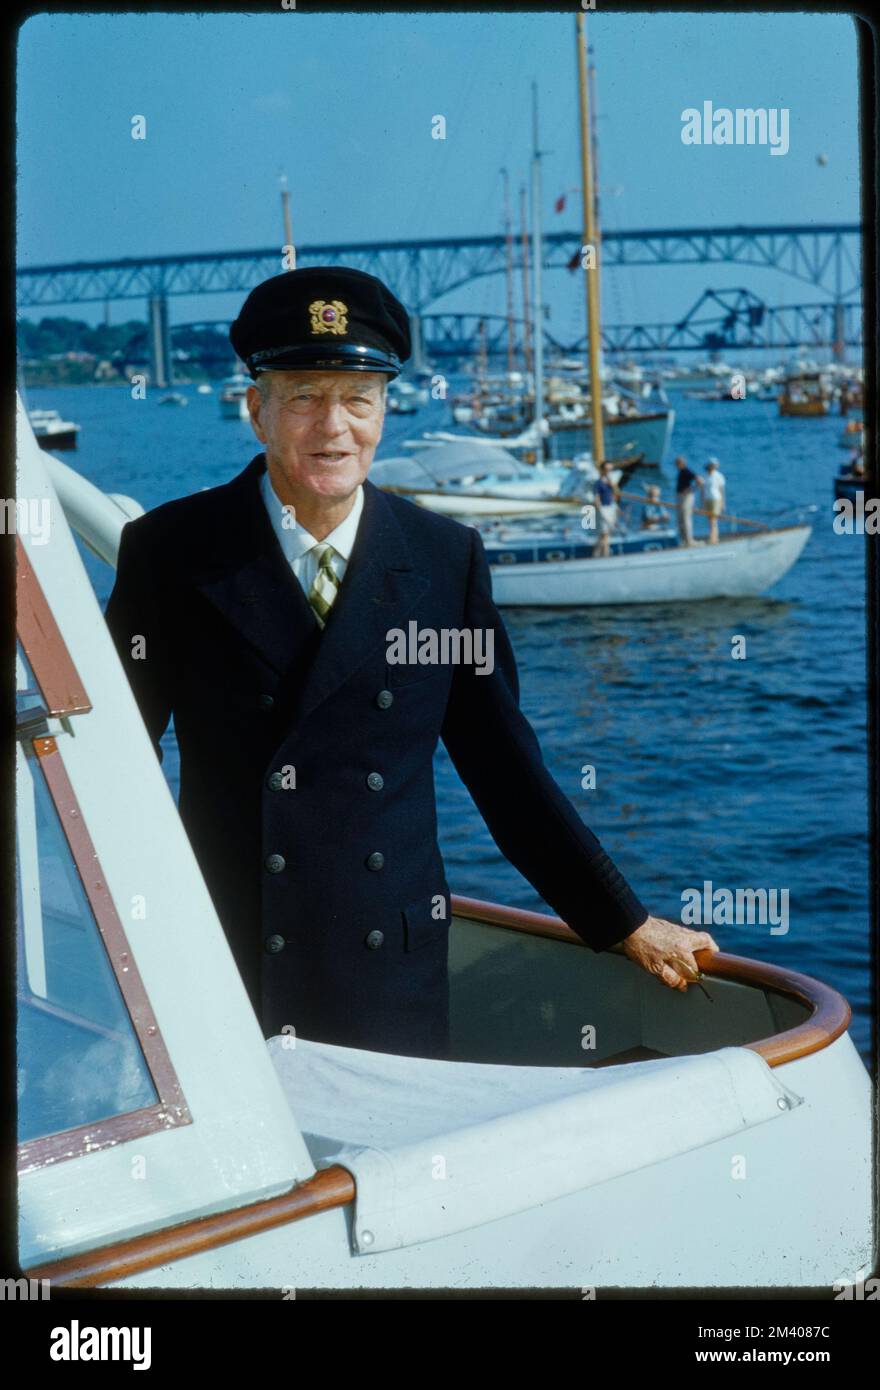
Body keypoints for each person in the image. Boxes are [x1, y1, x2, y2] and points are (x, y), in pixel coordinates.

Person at [105, 265, 716, 1061]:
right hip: (223, 961)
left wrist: (621, 918)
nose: (334, 428)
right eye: (305, 398)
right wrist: (130, 927)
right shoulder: (173, 555)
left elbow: (503, 766)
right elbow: (117, 761)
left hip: (387, 976)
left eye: (358, 400)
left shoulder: (442, 561)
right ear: (256, 410)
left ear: (385, 413)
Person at [592, 461, 619, 558]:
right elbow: (596, 498)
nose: (609, 472)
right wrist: (599, 509)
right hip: (603, 509)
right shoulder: (598, 483)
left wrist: (611, 484)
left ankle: (601, 553)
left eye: (610, 470)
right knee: (604, 533)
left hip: (611, 508)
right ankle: (602, 553)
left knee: (606, 533)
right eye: (607, 469)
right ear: (602, 470)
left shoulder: (610, 483)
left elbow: (616, 495)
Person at [674, 455, 702, 547]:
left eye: (677, 463)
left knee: (686, 518)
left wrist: (692, 490)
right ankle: (683, 540)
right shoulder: (681, 471)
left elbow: (699, 480)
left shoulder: (686, 471)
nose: (676, 465)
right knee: (680, 519)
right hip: (680, 496)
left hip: (686, 497)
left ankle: (689, 540)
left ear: (682, 463)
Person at [703, 457, 727, 545]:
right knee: (710, 520)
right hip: (707, 499)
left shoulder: (719, 476)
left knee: (714, 519)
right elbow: (703, 489)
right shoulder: (705, 476)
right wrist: (702, 501)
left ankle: (713, 538)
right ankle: (714, 537)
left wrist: (723, 503)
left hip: (716, 499)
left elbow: (722, 490)